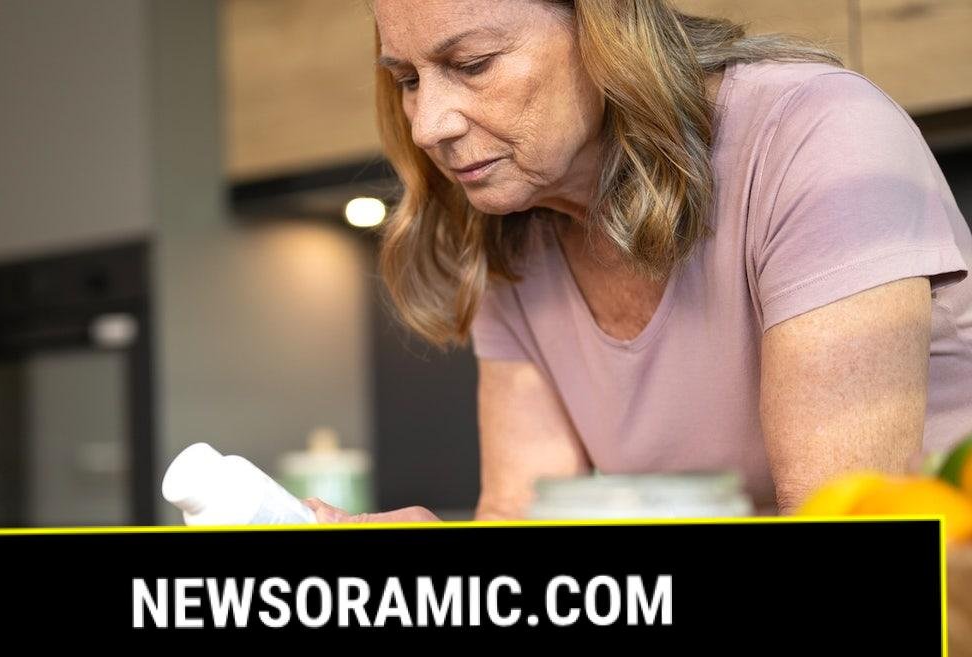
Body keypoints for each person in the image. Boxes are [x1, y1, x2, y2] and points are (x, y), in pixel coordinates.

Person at [307, 0, 972, 523]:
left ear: (604, 25)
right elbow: (521, 517)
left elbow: (841, 551)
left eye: (473, 64)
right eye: (407, 80)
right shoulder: (512, 224)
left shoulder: (819, 133)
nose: (428, 125)